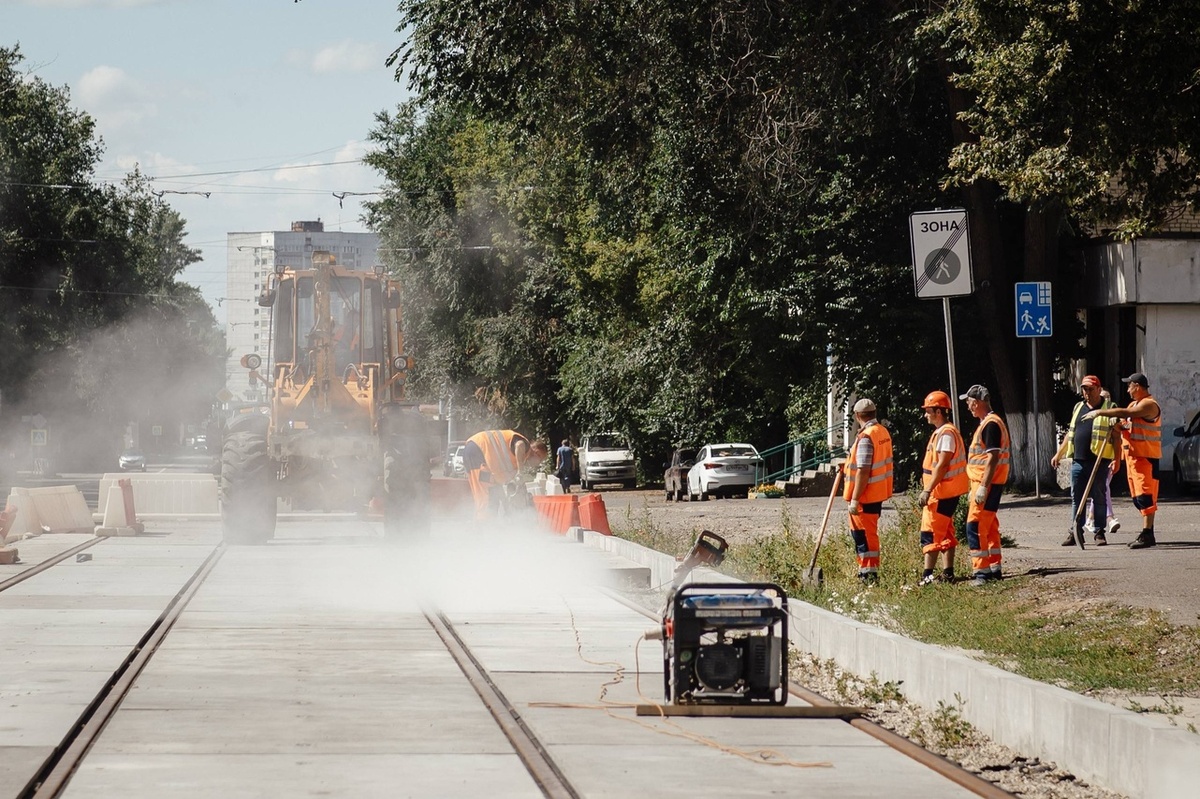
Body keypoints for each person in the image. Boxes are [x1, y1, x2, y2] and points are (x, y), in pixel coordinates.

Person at [1082, 372, 1162, 549]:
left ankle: (1148, 533)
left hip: (1146, 458)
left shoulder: (1149, 404)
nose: (1127, 389)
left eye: (1129, 386)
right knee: (1138, 499)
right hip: (1133, 459)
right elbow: (1126, 423)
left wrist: (1100, 412)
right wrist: (1117, 425)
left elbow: (1127, 412)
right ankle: (1147, 531)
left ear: (1138, 386)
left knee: (1146, 496)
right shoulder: (1136, 403)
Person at [1051, 375, 1118, 547]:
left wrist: (1117, 458)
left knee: (1099, 497)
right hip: (1078, 461)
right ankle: (1075, 532)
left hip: (1099, 461)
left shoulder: (1109, 407)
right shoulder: (1079, 407)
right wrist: (1059, 454)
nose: (1086, 392)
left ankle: (1099, 532)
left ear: (1098, 389)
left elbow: (1117, 435)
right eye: (1084, 389)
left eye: (1089, 389)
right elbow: (1070, 433)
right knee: (1076, 497)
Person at [916, 390, 969, 585]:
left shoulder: (946, 433)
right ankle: (948, 574)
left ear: (939, 411)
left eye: (928, 410)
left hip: (941, 493)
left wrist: (927, 490)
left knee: (929, 533)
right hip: (946, 492)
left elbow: (942, 465)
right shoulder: (944, 432)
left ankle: (927, 577)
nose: (925, 414)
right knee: (946, 532)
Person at [959, 385, 1010, 585]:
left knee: (975, 525)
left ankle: (982, 573)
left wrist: (982, 487)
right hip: (989, 483)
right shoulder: (989, 423)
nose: (968, 406)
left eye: (969, 402)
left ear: (977, 402)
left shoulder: (990, 424)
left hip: (986, 484)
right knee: (988, 526)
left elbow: (992, 458)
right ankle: (994, 567)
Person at [843, 398, 893, 585]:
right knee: (869, 534)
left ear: (857, 416)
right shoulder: (882, 431)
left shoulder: (866, 436)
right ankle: (868, 571)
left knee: (862, 535)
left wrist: (855, 499)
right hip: (877, 493)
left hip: (864, 495)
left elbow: (864, 469)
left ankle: (868, 575)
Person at [462, 430, 548, 518]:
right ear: (536, 452)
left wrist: (506, 505)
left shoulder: (514, 462)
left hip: (476, 453)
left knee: (489, 498)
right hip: (479, 450)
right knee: (486, 501)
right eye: (540, 459)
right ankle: (484, 528)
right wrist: (520, 473)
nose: (538, 463)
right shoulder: (526, 447)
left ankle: (484, 526)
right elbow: (519, 445)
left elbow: (499, 484)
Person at [1084, 388, 1121, 539]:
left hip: (1107, 458)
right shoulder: (1094, 414)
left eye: (1108, 398)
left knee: (1101, 489)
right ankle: (1108, 518)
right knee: (1102, 488)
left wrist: (1116, 458)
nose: (1107, 401)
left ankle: (1092, 518)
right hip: (1095, 457)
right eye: (1104, 398)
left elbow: (1119, 433)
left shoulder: (1112, 411)